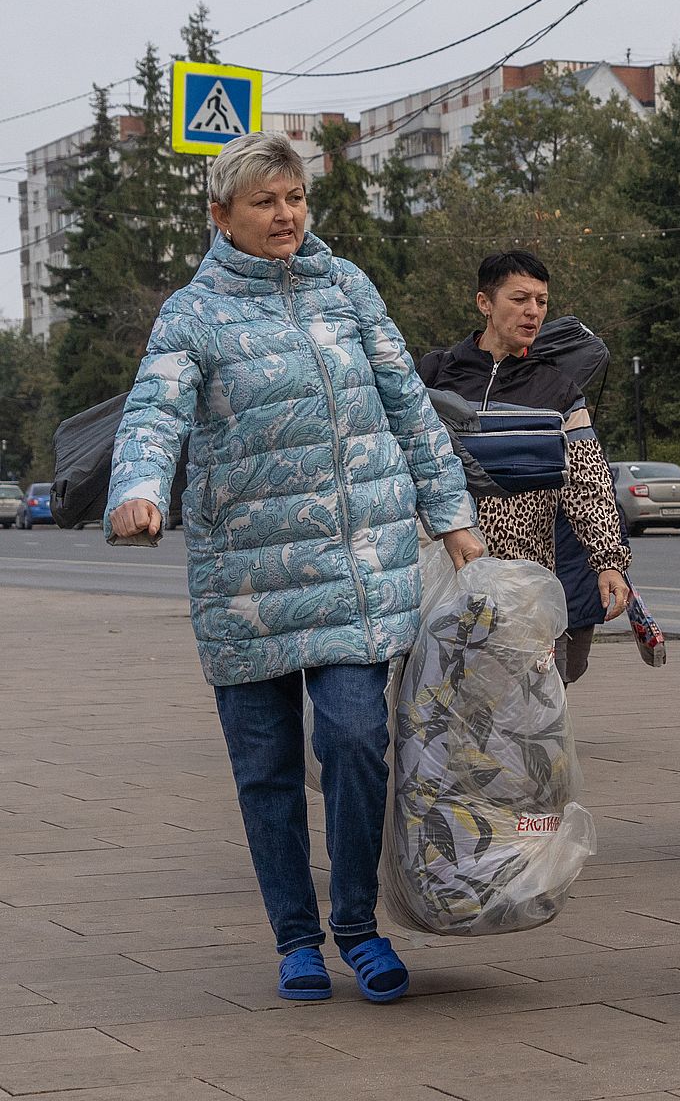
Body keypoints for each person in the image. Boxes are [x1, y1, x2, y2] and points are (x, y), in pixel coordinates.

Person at [105, 132, 483, 1004]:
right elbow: (154, 409)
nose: (285, 215)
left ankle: (357, 924)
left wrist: (451, 515)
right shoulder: (190, 314)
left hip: (354, 564)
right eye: (265, 201)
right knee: (265, 767)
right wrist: (139, 489)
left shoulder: (346, 287)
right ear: (221, 216)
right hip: (244, 578)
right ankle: (296, 939)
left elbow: (410, 408)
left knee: (356, 735)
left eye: (295, 199)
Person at [417, 251, 631, 681]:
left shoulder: (557, 390)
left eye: (542, 301)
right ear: (484, 303)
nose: (533, 312)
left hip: (523, 582)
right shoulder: (434, 375)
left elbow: (588, 484)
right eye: (520, 299)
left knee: (519, 714)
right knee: (433, 707)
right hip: (439, 575)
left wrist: (609, 562)